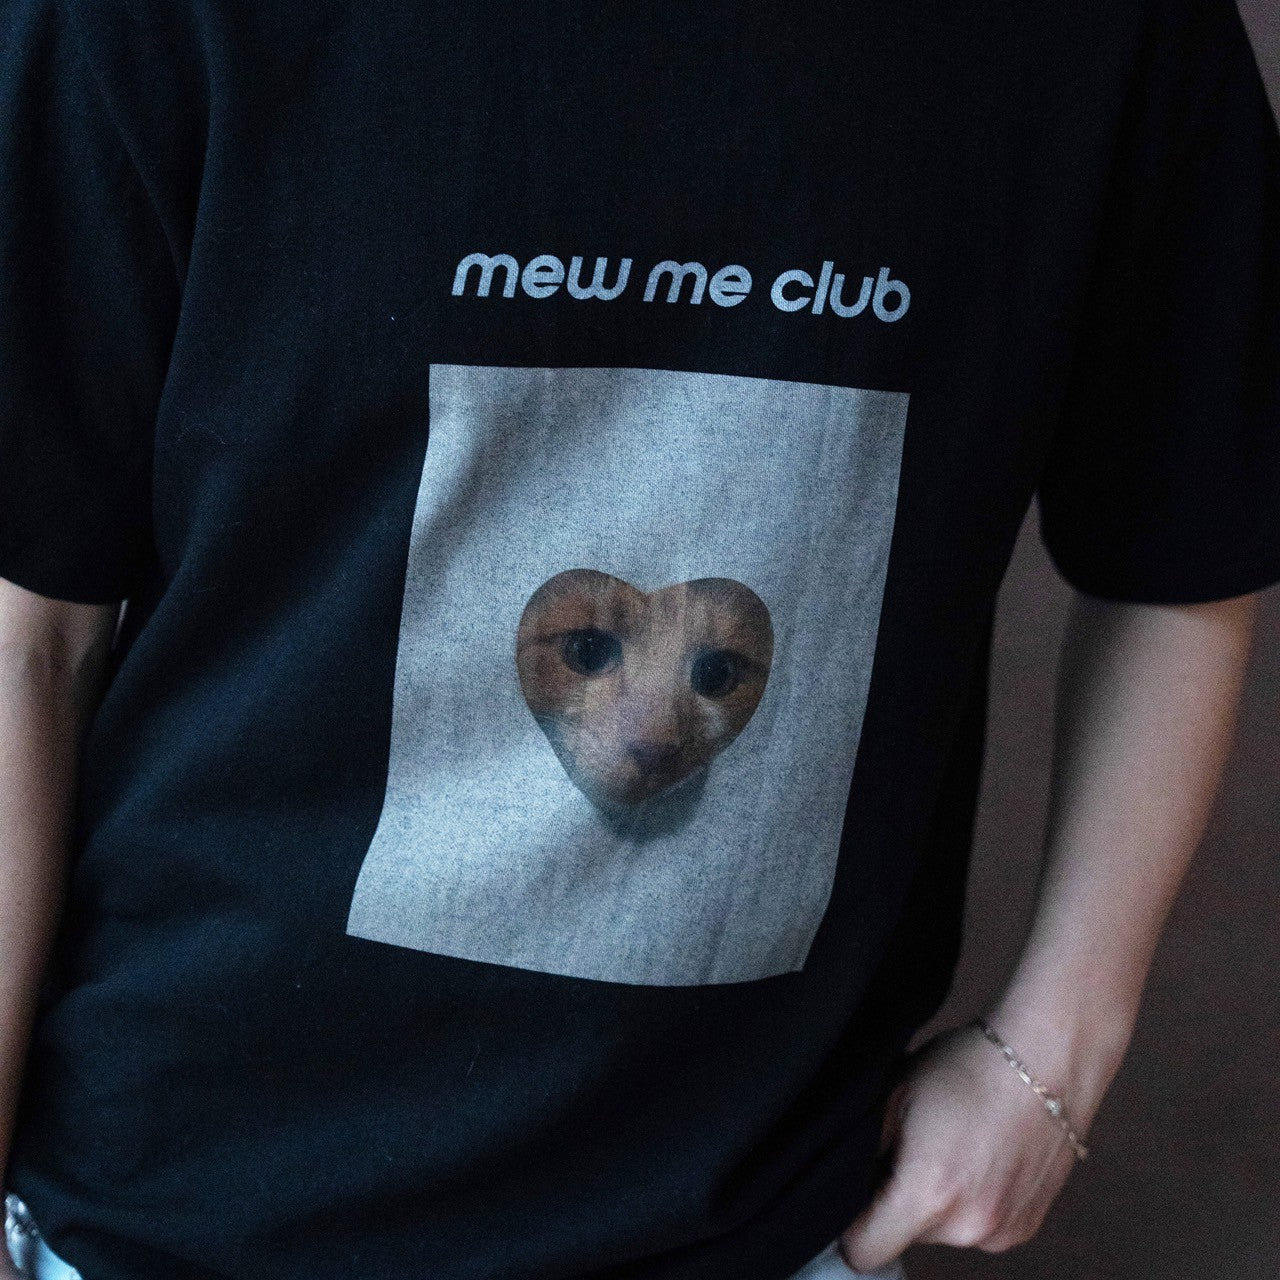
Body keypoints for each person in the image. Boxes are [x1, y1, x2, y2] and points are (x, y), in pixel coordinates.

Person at [1, 0, 1278, 1276]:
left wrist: (1054, 1052)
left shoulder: (1106, 38)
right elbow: (28, 631)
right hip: (164, 1206)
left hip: (765, 1213)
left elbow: (1184, 546)